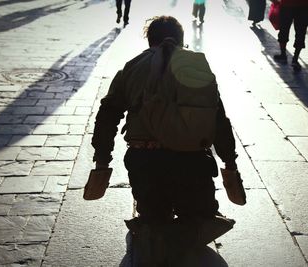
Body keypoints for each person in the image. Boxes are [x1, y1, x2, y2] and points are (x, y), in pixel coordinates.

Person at [91, 15, 238, 264]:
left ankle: (153, 227)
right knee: (200, 218)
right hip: (193, 164)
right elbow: (219, 120)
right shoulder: (197, 67)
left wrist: (102, 161)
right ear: (182, 40)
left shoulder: (132, 67)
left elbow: (107, 116)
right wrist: (230, 164)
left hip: (145, 162)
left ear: (150, 41)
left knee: (154, 218)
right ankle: (184, 229)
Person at [272, 0, 308, 71]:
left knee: (284, 29)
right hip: (304, 6)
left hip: (287, 4)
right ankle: (295, 59)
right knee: (300, 32)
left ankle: (283, 55)